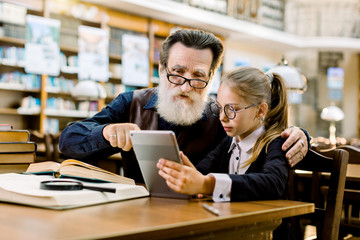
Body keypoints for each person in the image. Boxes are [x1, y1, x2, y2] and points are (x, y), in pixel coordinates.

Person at [59, 29, 309, 183]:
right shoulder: (131, 103)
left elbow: (263, 131)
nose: (186, 86)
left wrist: (300, 135)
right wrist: (106, 133)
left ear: (211, 78)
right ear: (161, 69)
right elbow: (68, 141)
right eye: (177, 73)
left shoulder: (221, 115)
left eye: (198, 76)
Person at [156, 66, 293, 239]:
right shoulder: (228, 142)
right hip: (236, 231)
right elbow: (202, 171)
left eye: (232, 109)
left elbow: (273, 183)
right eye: (220, 108)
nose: (222, 117)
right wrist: (191, 175)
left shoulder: (276, 143)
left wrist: (208, 184)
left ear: (260, 110)